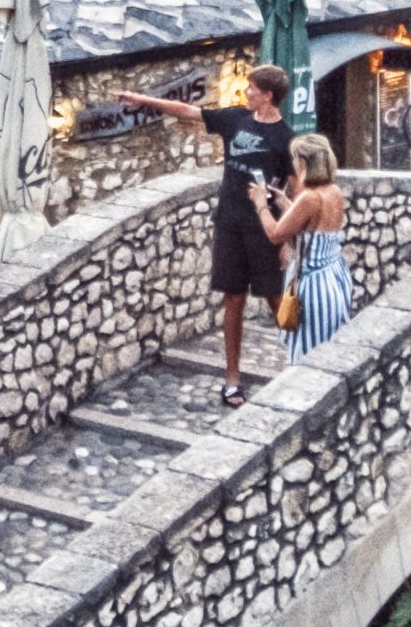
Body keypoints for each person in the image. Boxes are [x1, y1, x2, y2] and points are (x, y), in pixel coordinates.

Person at [116, 64, 295, 405]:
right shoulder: (235, 119)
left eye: (252, 88)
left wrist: (286, 238)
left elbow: (292, 192)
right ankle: (232, 379)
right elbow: (187, 111)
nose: (247, 92)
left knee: (277, 300)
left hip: (265, 229)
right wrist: (142, 99)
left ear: (268, 95)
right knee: (233, 299)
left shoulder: (286, 138)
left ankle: (305, 360)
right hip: (229, 223)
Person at [252, 132, 351, 358]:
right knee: (328, 350)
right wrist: (284, 201)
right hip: (334, 277)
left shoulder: (310, 198)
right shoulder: (333, 191)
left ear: (303, 163)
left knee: (309, 354)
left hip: (315, 287)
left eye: (295, 159)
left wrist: (260, 204)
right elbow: (310, 226)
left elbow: (276, 234)